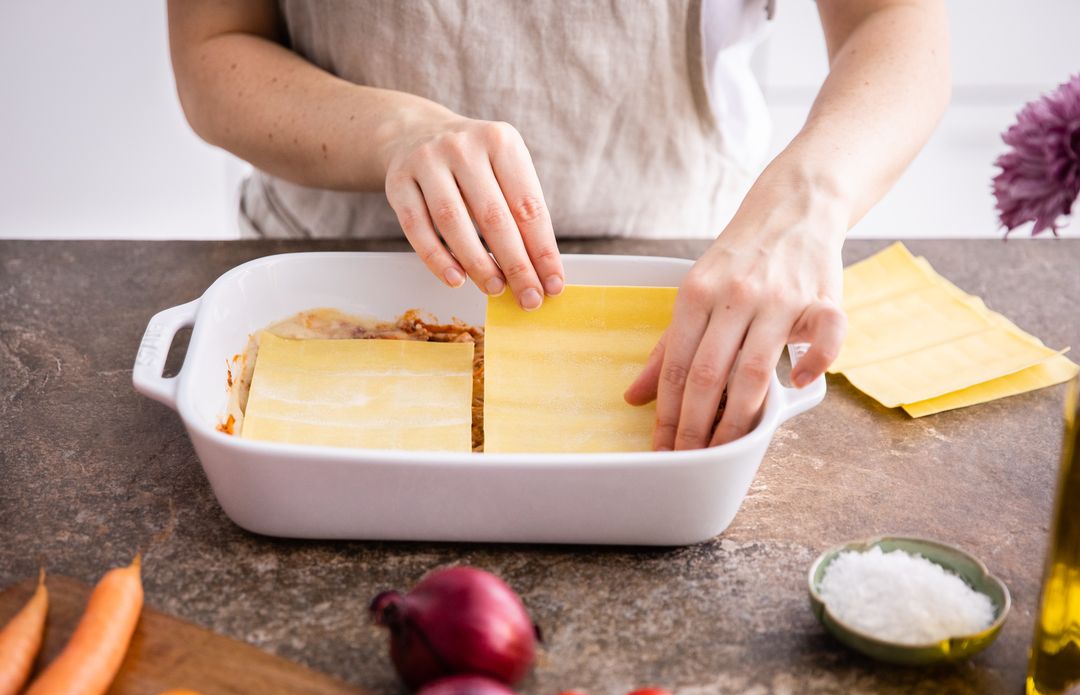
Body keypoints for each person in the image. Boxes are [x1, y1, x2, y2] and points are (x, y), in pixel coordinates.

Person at [167, 0, 949, 449]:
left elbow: (893, 21)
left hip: (695, 271)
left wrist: (809, 197)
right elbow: (212, 55)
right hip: (331, 257)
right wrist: (394, 131)